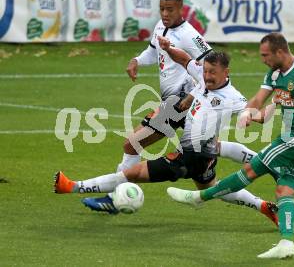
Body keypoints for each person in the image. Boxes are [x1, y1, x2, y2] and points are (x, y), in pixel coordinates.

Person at [167, 33, 294, 259]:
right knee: (284, 190)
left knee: (251, 170)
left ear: (280, 52)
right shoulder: (274, 73)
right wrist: (248, 112)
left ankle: (200, 198)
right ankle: (286, 242)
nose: (263, 59)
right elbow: (258, 99)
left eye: (265, 55)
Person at [54, 50, 278, 225]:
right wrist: (168, 47)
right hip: (206, 155)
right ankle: (264, 206)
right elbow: (185, 60)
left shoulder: (233, 98)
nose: (207, 77)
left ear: (226, 72)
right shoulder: (203, 76)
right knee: (211, 188)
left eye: (213, 73)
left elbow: (260, 116)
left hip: (189, 157)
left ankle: (72, 186)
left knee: (131, 173)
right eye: (206, 71)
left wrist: (275, 104)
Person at [83, 0, 258, 212]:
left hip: (179, 103)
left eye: (170, 10)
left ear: (181, 9)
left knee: (133, 143)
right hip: (177, 102)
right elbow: (152, 51)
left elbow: (215, 68)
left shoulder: (190, 35)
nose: (165, 13)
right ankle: (264, 195)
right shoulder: (161, 26)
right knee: (207, 180)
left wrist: (192, 96)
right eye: (162, 9)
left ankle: (113, 198)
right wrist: (136, 60)